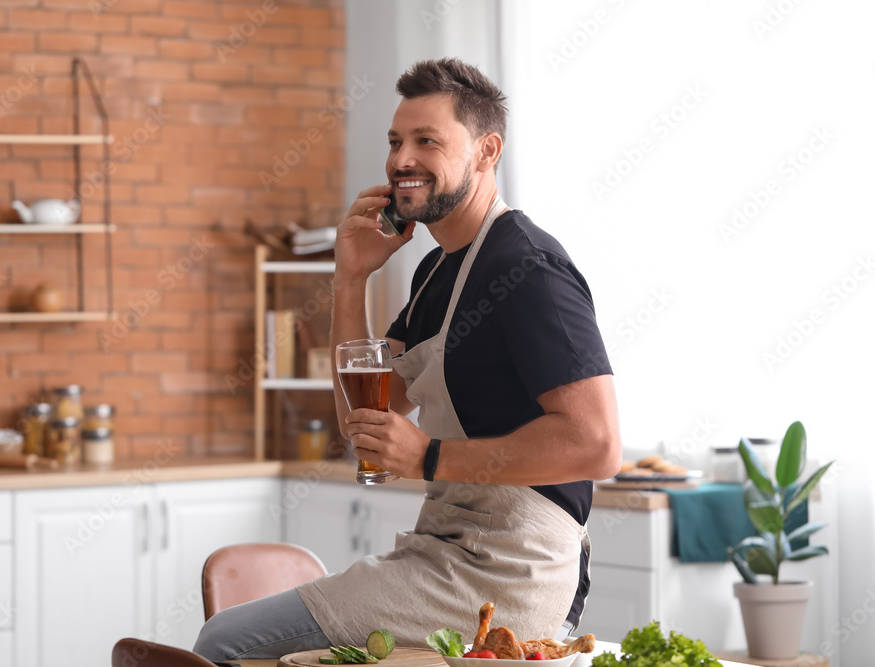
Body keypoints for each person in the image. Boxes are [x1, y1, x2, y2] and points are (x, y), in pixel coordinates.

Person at [194, 57, 621, 662]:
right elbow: (361, 422)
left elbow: (597, 443)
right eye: (396, 141)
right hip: (441, 553)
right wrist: (349, 280)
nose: (401, 160)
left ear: (485, 151)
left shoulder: (528, 269)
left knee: (225, 639)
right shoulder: (435, 271)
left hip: (507, 572)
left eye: (427, 141)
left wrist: (429, 455)